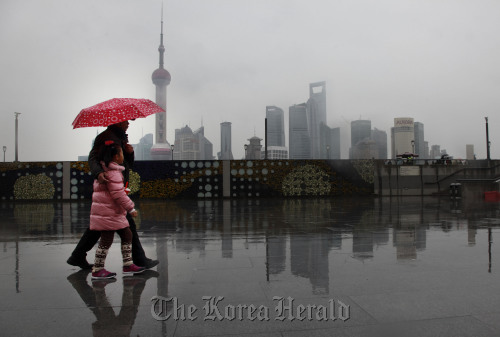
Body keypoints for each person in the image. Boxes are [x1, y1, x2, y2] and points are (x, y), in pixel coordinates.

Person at [67, 121, 159, 270]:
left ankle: (77, 255)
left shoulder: (119, 137)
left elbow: (126, 165)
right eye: (126, 121)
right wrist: (98, 172)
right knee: (126, 226)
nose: (128, 123)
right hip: (111, 188)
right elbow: (93, 158)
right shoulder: (106, 137)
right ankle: (137, 260)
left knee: (98, 227)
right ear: (118, 122)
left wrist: (130, 153)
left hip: (116, 185)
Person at [90, 141, 145, 279]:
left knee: (127, 234)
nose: (123, 156)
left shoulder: (105, 170)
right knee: (107, 240)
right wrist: (131, 208)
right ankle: (98, 268)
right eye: (121, 153)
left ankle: (128, 264)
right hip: (109, 213)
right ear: (115, 157)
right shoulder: (113, 173)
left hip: (111, 212)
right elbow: (118, 195)